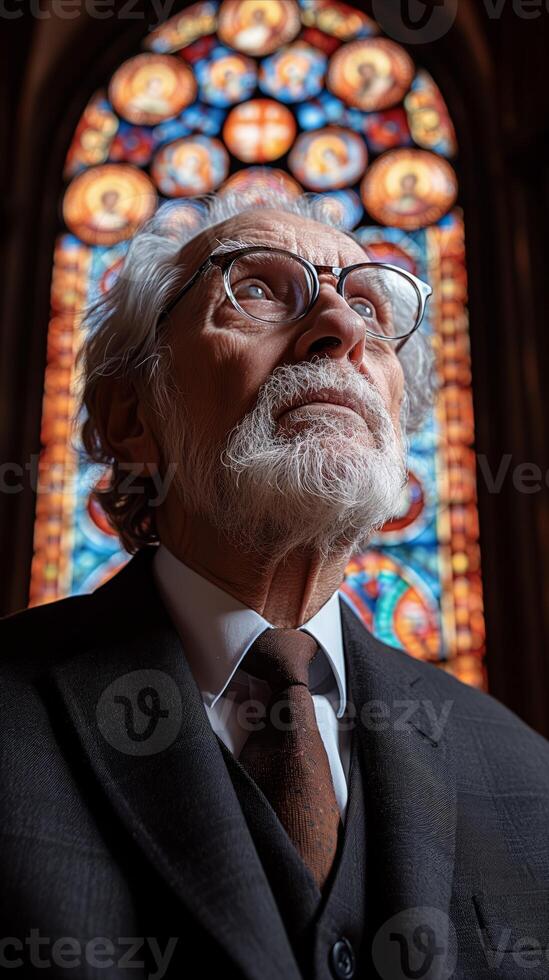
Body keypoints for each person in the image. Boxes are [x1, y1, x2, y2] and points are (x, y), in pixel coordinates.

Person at [1, 189, 548, 979]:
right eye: (257, 288)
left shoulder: (526, 774)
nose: (343, 329)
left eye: (366, 304)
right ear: (130, 416)